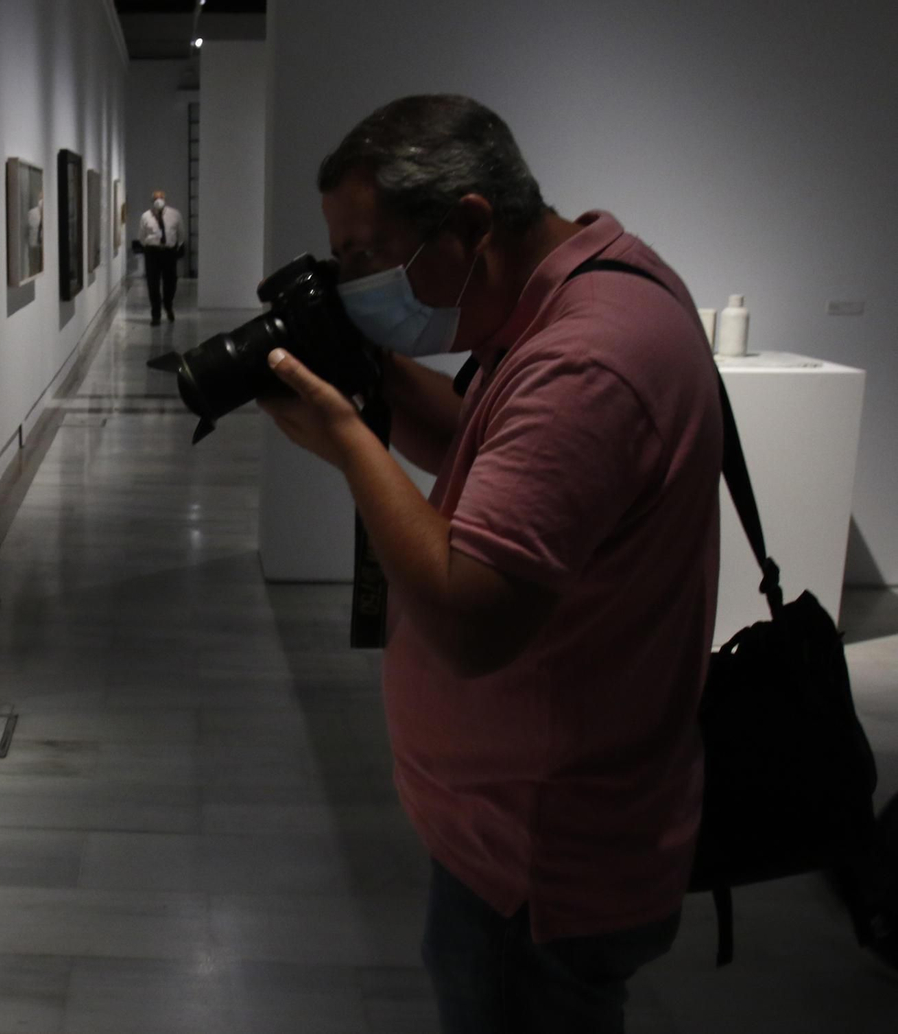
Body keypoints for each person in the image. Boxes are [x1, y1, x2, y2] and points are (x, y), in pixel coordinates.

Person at [259, 94, 721, 1033]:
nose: (356, 284)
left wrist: (350, 441)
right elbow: (487, 452)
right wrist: (374, 379)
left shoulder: (586, 361)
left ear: (469, 224)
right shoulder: (593, 284)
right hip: (529, 829)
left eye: (368, 255)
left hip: (539, 862)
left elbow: (471, 621)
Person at [138, 189, 184, 325]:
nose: (158, 201)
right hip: (152, 252)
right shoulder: (146, 216)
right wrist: (149, 247)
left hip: (169, 252)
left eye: (161, 198)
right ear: (152, 201)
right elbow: (141, 236)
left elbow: (181, 234)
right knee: (153, 283)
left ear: (165, 199)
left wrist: (174, 247)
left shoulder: (175, 214)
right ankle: (156, 314)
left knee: (171, 281)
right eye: (155, 198)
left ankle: (168, 305)